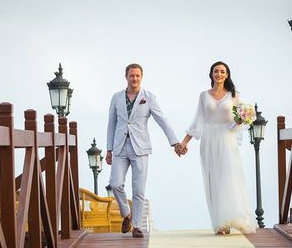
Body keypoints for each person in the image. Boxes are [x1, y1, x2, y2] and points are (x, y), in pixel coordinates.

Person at [179, 61, 257, 235]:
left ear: (227, 74)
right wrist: (184, 142)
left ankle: (233, 218)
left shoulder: (234, 96)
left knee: (229, 177)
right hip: (209, 139)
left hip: (227, 140)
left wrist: (240, 120)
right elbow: (197, 121)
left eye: (222, 71)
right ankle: (220, 223)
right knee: (213, 180)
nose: (219, 74)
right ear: (211, 74)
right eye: (216, 71)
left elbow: (234, 125)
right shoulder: (203, 96)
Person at [106, 63, 182, 238]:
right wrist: (109, 148)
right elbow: (111, 124)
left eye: (138, 76)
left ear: (142, 77)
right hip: (119, 147)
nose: (135, 78)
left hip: (140, 147)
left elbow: (162, 120)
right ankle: (127, 214)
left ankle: (137, 226)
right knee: (116, 183)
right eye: (132, 75)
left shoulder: (149, 97)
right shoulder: (116, 97)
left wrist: (174, 142)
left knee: (138, 189)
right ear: (126, 77)